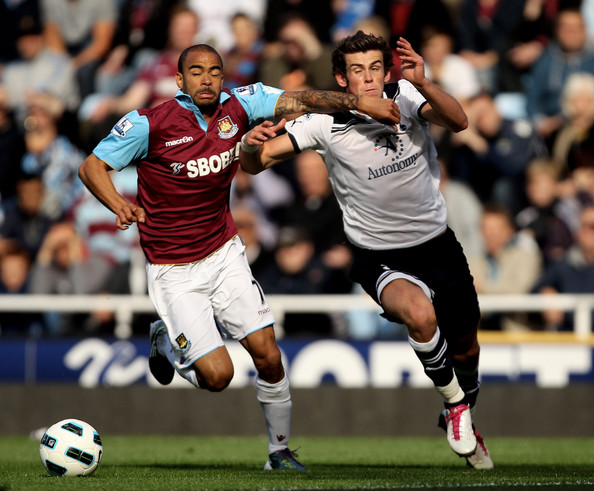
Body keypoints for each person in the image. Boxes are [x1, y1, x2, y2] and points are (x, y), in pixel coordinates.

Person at [78, 43, 400, 470]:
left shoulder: (241, 104)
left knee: (268, 353)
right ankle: (164, 340)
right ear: (180, 81)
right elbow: (91, 167)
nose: (207, 79)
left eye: (214, 71)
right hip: (173, 270)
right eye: (196, 71)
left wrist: (360, 103)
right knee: (218, 377)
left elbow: (300, 99)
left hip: (224, 253)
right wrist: (119, 204)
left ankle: (279, 452)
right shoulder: (148, 124)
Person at [239, 31, 493, 469]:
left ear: (387, 72)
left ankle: (463, 409)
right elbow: (257, 163)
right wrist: (247, 146)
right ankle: (455, 407)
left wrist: (426, 82)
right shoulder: (323, 121)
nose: (369, 79)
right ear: (342, 79)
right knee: (419, 315)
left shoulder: (408, 96)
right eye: (357, 71)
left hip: (437, 245)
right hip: (378, 254)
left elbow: (460, 122)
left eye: (376, 68)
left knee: (467, 348)